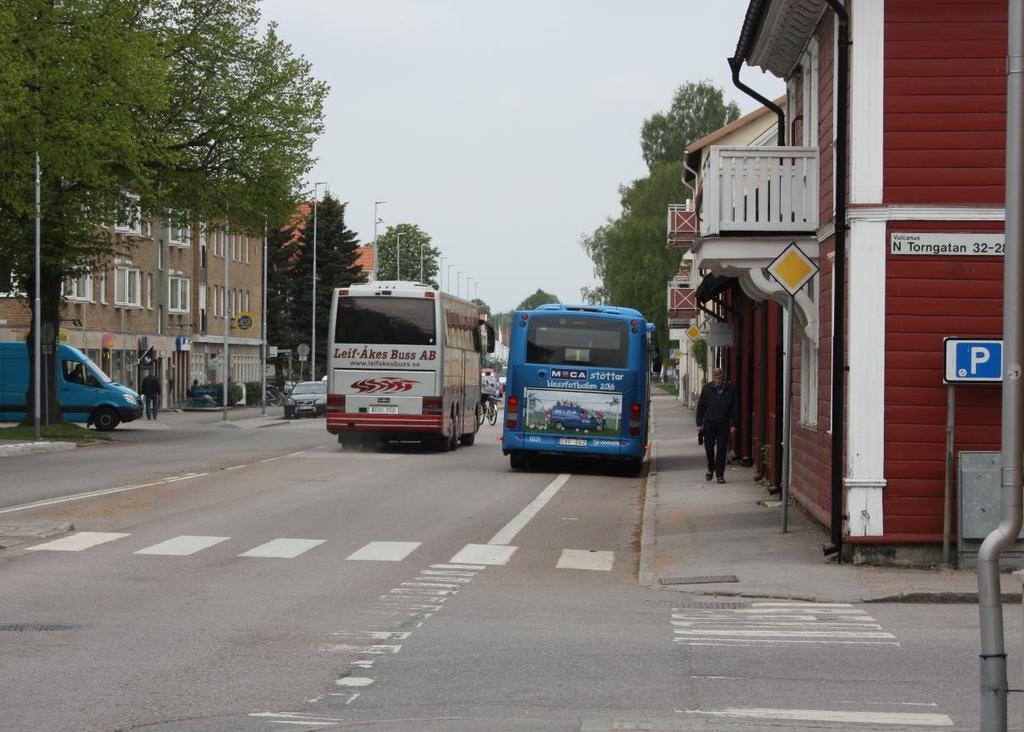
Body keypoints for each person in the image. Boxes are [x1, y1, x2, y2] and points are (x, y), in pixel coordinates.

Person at [695, 367, 739, 484]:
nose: (718, 380)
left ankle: (720, 475)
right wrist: (699, 423)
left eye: (719, 378)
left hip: (723, 423)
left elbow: (734, 408)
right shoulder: (707, 389)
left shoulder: (729, 389)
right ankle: (711, 467)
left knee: (721, 450)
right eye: (716, 378)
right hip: (709, 423)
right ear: (712, 378)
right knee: (708, 447)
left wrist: (733, 424)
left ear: (722, 377)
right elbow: (701, 407)